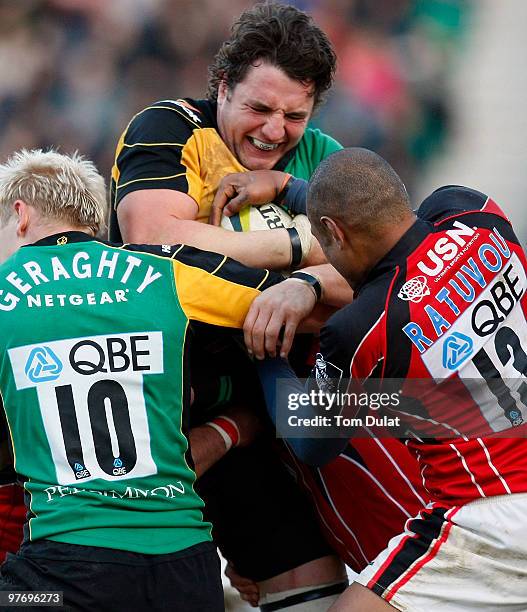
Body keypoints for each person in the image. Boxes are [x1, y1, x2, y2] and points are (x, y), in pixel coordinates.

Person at [110, 3, 352, 610]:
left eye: (293, 115)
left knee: (314, 575)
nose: (275, 131)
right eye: (259, 108)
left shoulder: (324, 155)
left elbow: (379, 270)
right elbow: (152, 242)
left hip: (276, 401)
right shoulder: (166, 126)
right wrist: (300, 248)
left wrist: (309, 286)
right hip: (175, 392)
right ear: (222, 86)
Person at [0, 148, 315, 610]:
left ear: (21, 214)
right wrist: (309, 281)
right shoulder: (166, 271)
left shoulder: (5, 286)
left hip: (65, 575)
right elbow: (301, 307)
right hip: (186, 570)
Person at [248, 147, 527, 611]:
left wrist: (261, 349)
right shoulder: (476, 213)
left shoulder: (359, 329)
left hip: (490, 511)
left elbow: (313, 442)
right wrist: (295, 192)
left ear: (333, 232)